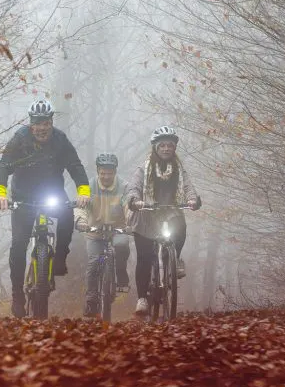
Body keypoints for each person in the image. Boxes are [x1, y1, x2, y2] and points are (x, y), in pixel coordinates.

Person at [0, 98, 91, 318]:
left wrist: (83, 192)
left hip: (52, 193)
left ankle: (60, 257)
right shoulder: (19, 139)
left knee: (67, 216)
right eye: (37, 123)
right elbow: (3, 166)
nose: (42, 128)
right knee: (18, 245)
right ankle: (17, 295)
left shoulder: (60, 140)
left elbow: (76, 166)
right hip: (23, 197)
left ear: (51, 122)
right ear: (31, 124)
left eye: (46, 123)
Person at [125, 125, 201, 317]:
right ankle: (142, 298)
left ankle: (174, 260)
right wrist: (135, 200)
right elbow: (133, 188)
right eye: (162, 146)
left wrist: (193, 199)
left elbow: (188, 187)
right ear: (156, 148)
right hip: (146, 215)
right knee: (144, 257)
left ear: (174, 148)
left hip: (170, 212)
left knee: (180, 228)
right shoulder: (144, 169)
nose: (166, 148)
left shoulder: (179, 170)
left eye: (170, 145)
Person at [76, 152, 131, 317]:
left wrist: (130, 222)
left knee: (122, 246)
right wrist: (81, 221)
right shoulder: (88, 186)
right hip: (95, 231)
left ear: (115, 172)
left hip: (117, 230)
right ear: (98, 171)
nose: (106, 176)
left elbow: (129, 206)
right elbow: (81, 206)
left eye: (109, 173)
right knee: (94, 262)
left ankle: (121, 274)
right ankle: (91, 298)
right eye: (103, 173)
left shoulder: (124, 186)